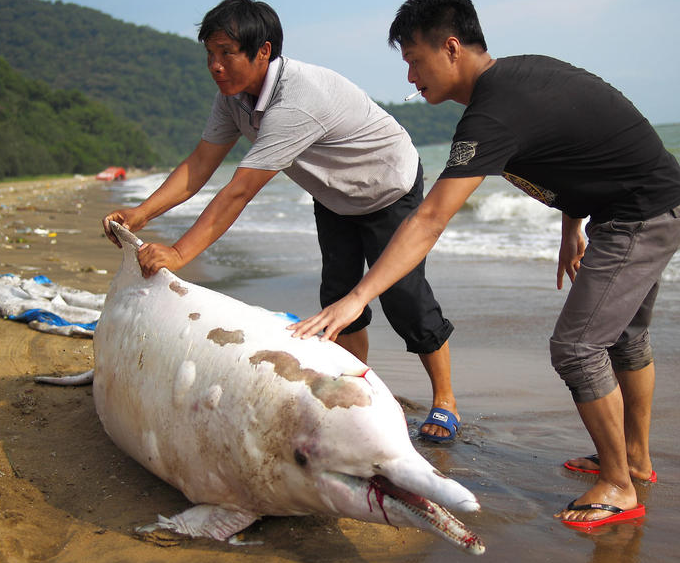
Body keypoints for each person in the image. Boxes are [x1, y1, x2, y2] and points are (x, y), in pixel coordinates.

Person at [289, 0, 680, 527]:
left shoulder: (492, 114)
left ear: (450, 48)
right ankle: (634, 460)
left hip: (641, 214)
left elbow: (429, 219)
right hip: (646, 202)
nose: (410, 74)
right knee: (626, 338)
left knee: (577, 346)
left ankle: (619, 483)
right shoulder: (518, 80)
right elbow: (581, 145)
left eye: (414, 58)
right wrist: (572, 220)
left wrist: (358, 295)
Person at [102, 0, 461, 442]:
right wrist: (140, 214)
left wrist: (178, 252)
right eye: (209, 54)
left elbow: (240, 190)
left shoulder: (296, 98)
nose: (215, 66)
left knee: (405, 299)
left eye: (226, 52)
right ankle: (358, 386)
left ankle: (445, 400)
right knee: (337, 296)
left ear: (263, 51)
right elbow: (200, 165)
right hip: (333, 194)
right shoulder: (232, 99)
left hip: (388, 186)